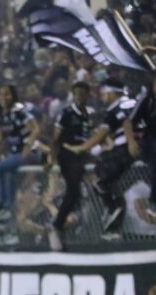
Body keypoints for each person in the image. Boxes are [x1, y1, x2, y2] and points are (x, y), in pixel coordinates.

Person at [65, 78, 139, 236]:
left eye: (103, 93)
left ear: (111, 93)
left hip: (125, 147)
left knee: (98, 178)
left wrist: (81, 148)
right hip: (143, 145)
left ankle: (113, 207)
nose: (101, 96)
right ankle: (114, 215)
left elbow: (104, 133)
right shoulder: (134, 102)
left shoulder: (117, 108)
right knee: (108, 180)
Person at [0, 84, 41, 220]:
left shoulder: (19, 110)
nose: (4, 97)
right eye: (1, 94)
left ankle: (1, 204)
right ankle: (9, 212)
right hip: (14, 153)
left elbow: (35, 129)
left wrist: (28, 146)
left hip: (28, 152)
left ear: (13, 96)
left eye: (7, 94)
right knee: (9, 175)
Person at [47, 81, 95, 251]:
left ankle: (62, 228)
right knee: (73, 190)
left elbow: (92, 134)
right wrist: (52, 159)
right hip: (68, 154)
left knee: (78, 193)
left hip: (83, 154)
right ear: (73, 96)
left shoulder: (90, 114)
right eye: (76, 94)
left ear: (88, 95)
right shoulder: (66, 113)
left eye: (82, 93)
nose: (79, 96)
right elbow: (55, 138)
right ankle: (56, 226)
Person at [126, 75, 156, 219]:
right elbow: (129, 122)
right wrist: (131, 142)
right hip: (151, 140)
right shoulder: (146, 100)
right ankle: (154, 202)